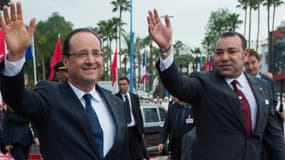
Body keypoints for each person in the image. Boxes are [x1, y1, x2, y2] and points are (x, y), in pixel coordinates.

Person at [147, 9, 285, 160]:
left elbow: (273, 135)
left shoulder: (262, 87)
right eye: (219, 53)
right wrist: (165, 50)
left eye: (231, 51)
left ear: (245, 55)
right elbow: (178, 85)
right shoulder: (203, 83)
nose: (225, 57)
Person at [0, 2, 129, 160]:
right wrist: (16, 56)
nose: (91, 60)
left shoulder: (116, 104)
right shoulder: (49, 96)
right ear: (66, 61)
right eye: (82, 54)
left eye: (96, 53)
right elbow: (16, 97)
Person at [244, 49, 284, 129]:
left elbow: (273, 101)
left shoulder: (268, 81)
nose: (250, 67)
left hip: (265, 124)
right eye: (247, 64)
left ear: (259, 62)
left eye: (253, 62)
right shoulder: (240, 81)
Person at [115, 77, 148, 160]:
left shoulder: (134, 97)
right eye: (120, 84)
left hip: (135, 131)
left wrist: (142, 131)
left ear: (128, 85)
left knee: (137, 155)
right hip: (123, 132)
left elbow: (138, 114)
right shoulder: (115, 98)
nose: (122, 86)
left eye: (124, 84)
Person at [158, 96, 195, 160]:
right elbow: (166, 126)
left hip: (188, 145)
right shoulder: (172, 108)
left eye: (174, 95)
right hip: (174, 145)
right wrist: (162, 142)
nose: (173, 97)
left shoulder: (193, 108)